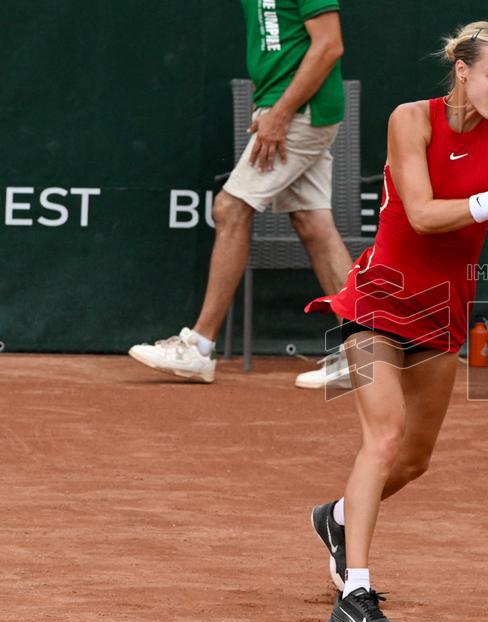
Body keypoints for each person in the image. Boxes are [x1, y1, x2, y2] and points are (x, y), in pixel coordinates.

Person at [305, 20, 488, 622]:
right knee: (385, 435)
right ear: (462, 69)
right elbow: (425, 213)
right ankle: (354, 595)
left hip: (444, 310)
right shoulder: (412, 119)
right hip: (378, 296)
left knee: (414, 460)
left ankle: (338, 518)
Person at [128, 0, 354, 388]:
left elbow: (329, 45)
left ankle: (198, 347)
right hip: (286, 107)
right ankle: (363, 354)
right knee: (314, 225)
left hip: (300, 112)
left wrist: (280, 112)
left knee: (230, 208)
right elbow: (277, 43)